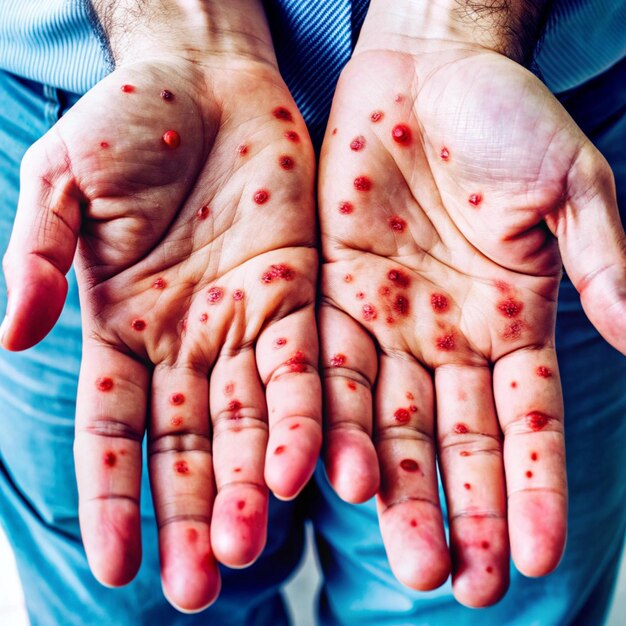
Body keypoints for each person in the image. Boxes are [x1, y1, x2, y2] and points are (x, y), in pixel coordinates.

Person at [0, 1, 624, 624]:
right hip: (122, 159)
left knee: (485, 589)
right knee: (136, 600)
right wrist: (183, 28)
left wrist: (459, 21)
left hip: (503, 160)